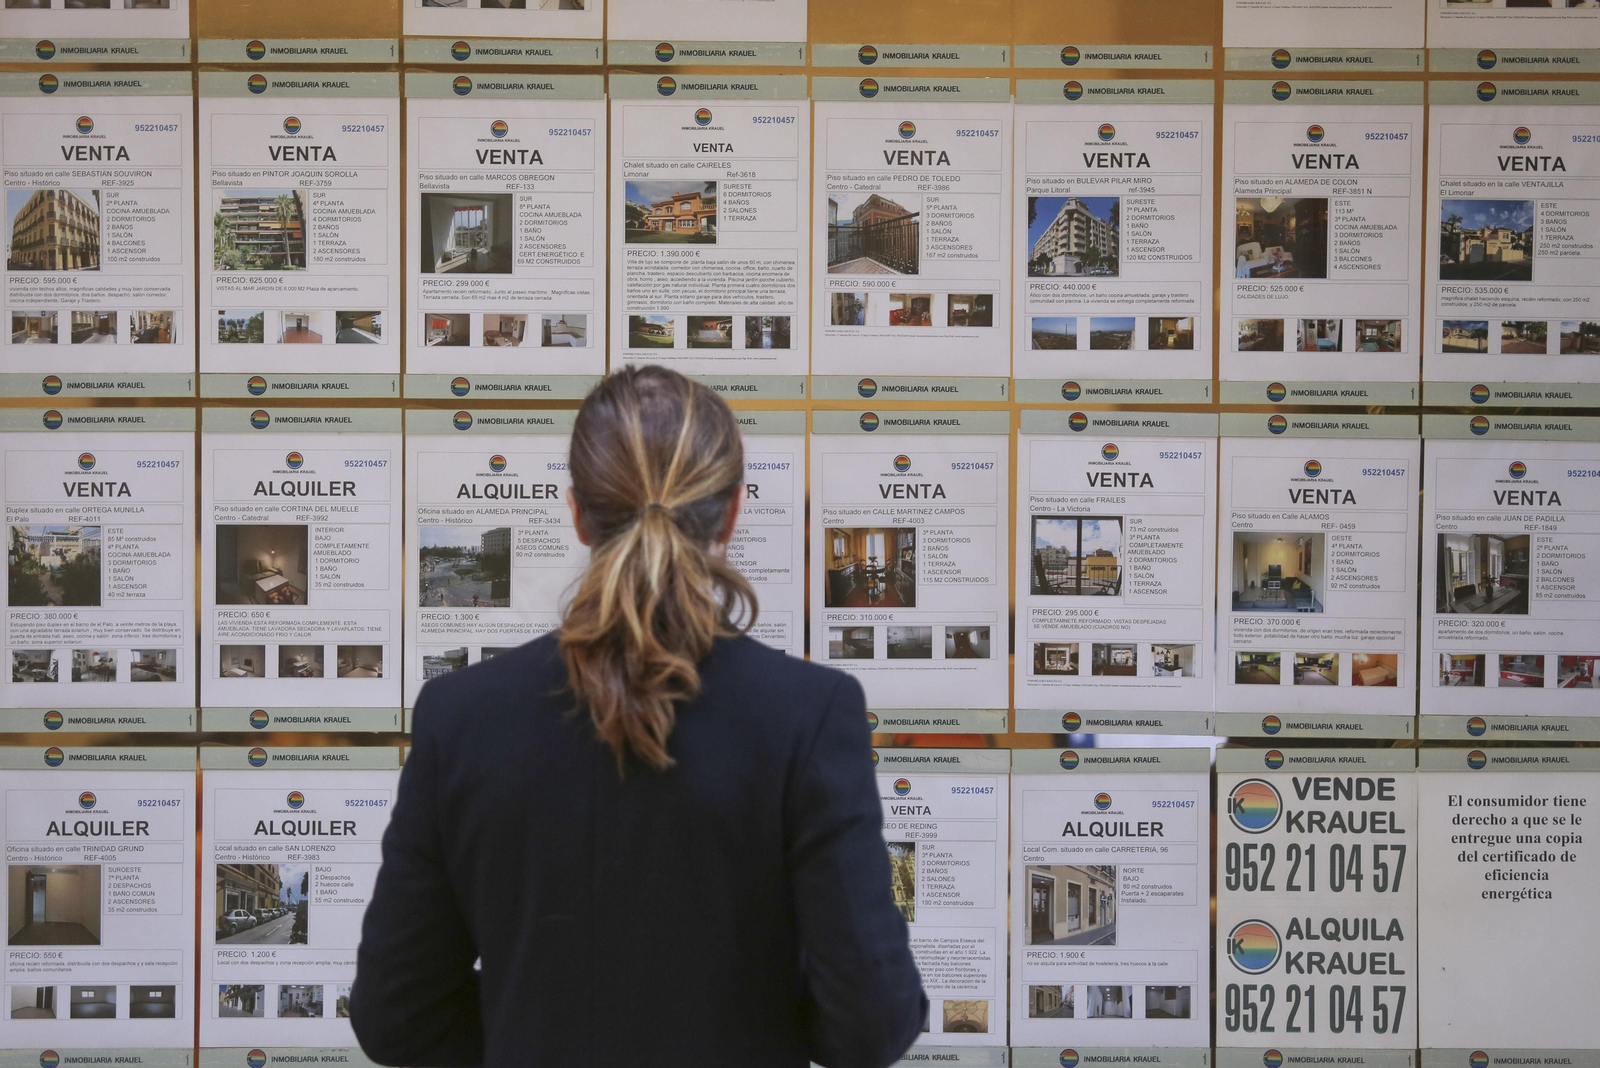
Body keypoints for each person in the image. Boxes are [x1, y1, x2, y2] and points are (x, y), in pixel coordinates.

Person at [350, 366, 926, 1067]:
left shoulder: (460, 717)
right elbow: (870, 1026)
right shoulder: (810, 715)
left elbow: (396, 1020)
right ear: (734, 512)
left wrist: (525, 1022)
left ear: (578, 514)